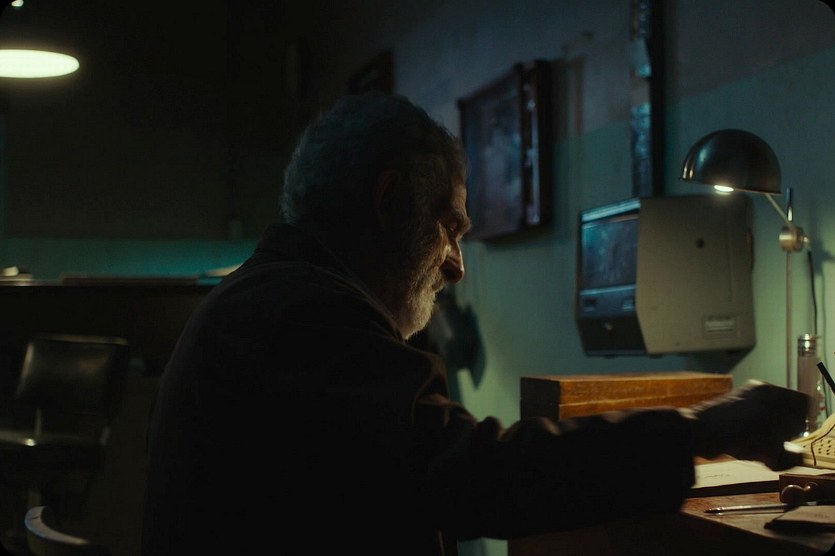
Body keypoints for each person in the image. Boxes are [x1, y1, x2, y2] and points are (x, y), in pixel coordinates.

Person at [140, 92, 808, 556]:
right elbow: (477, 477)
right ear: (388, 203)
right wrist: (698, 431)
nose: (456, 267)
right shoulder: (303, 319)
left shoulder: (271, 299)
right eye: (450, 228)